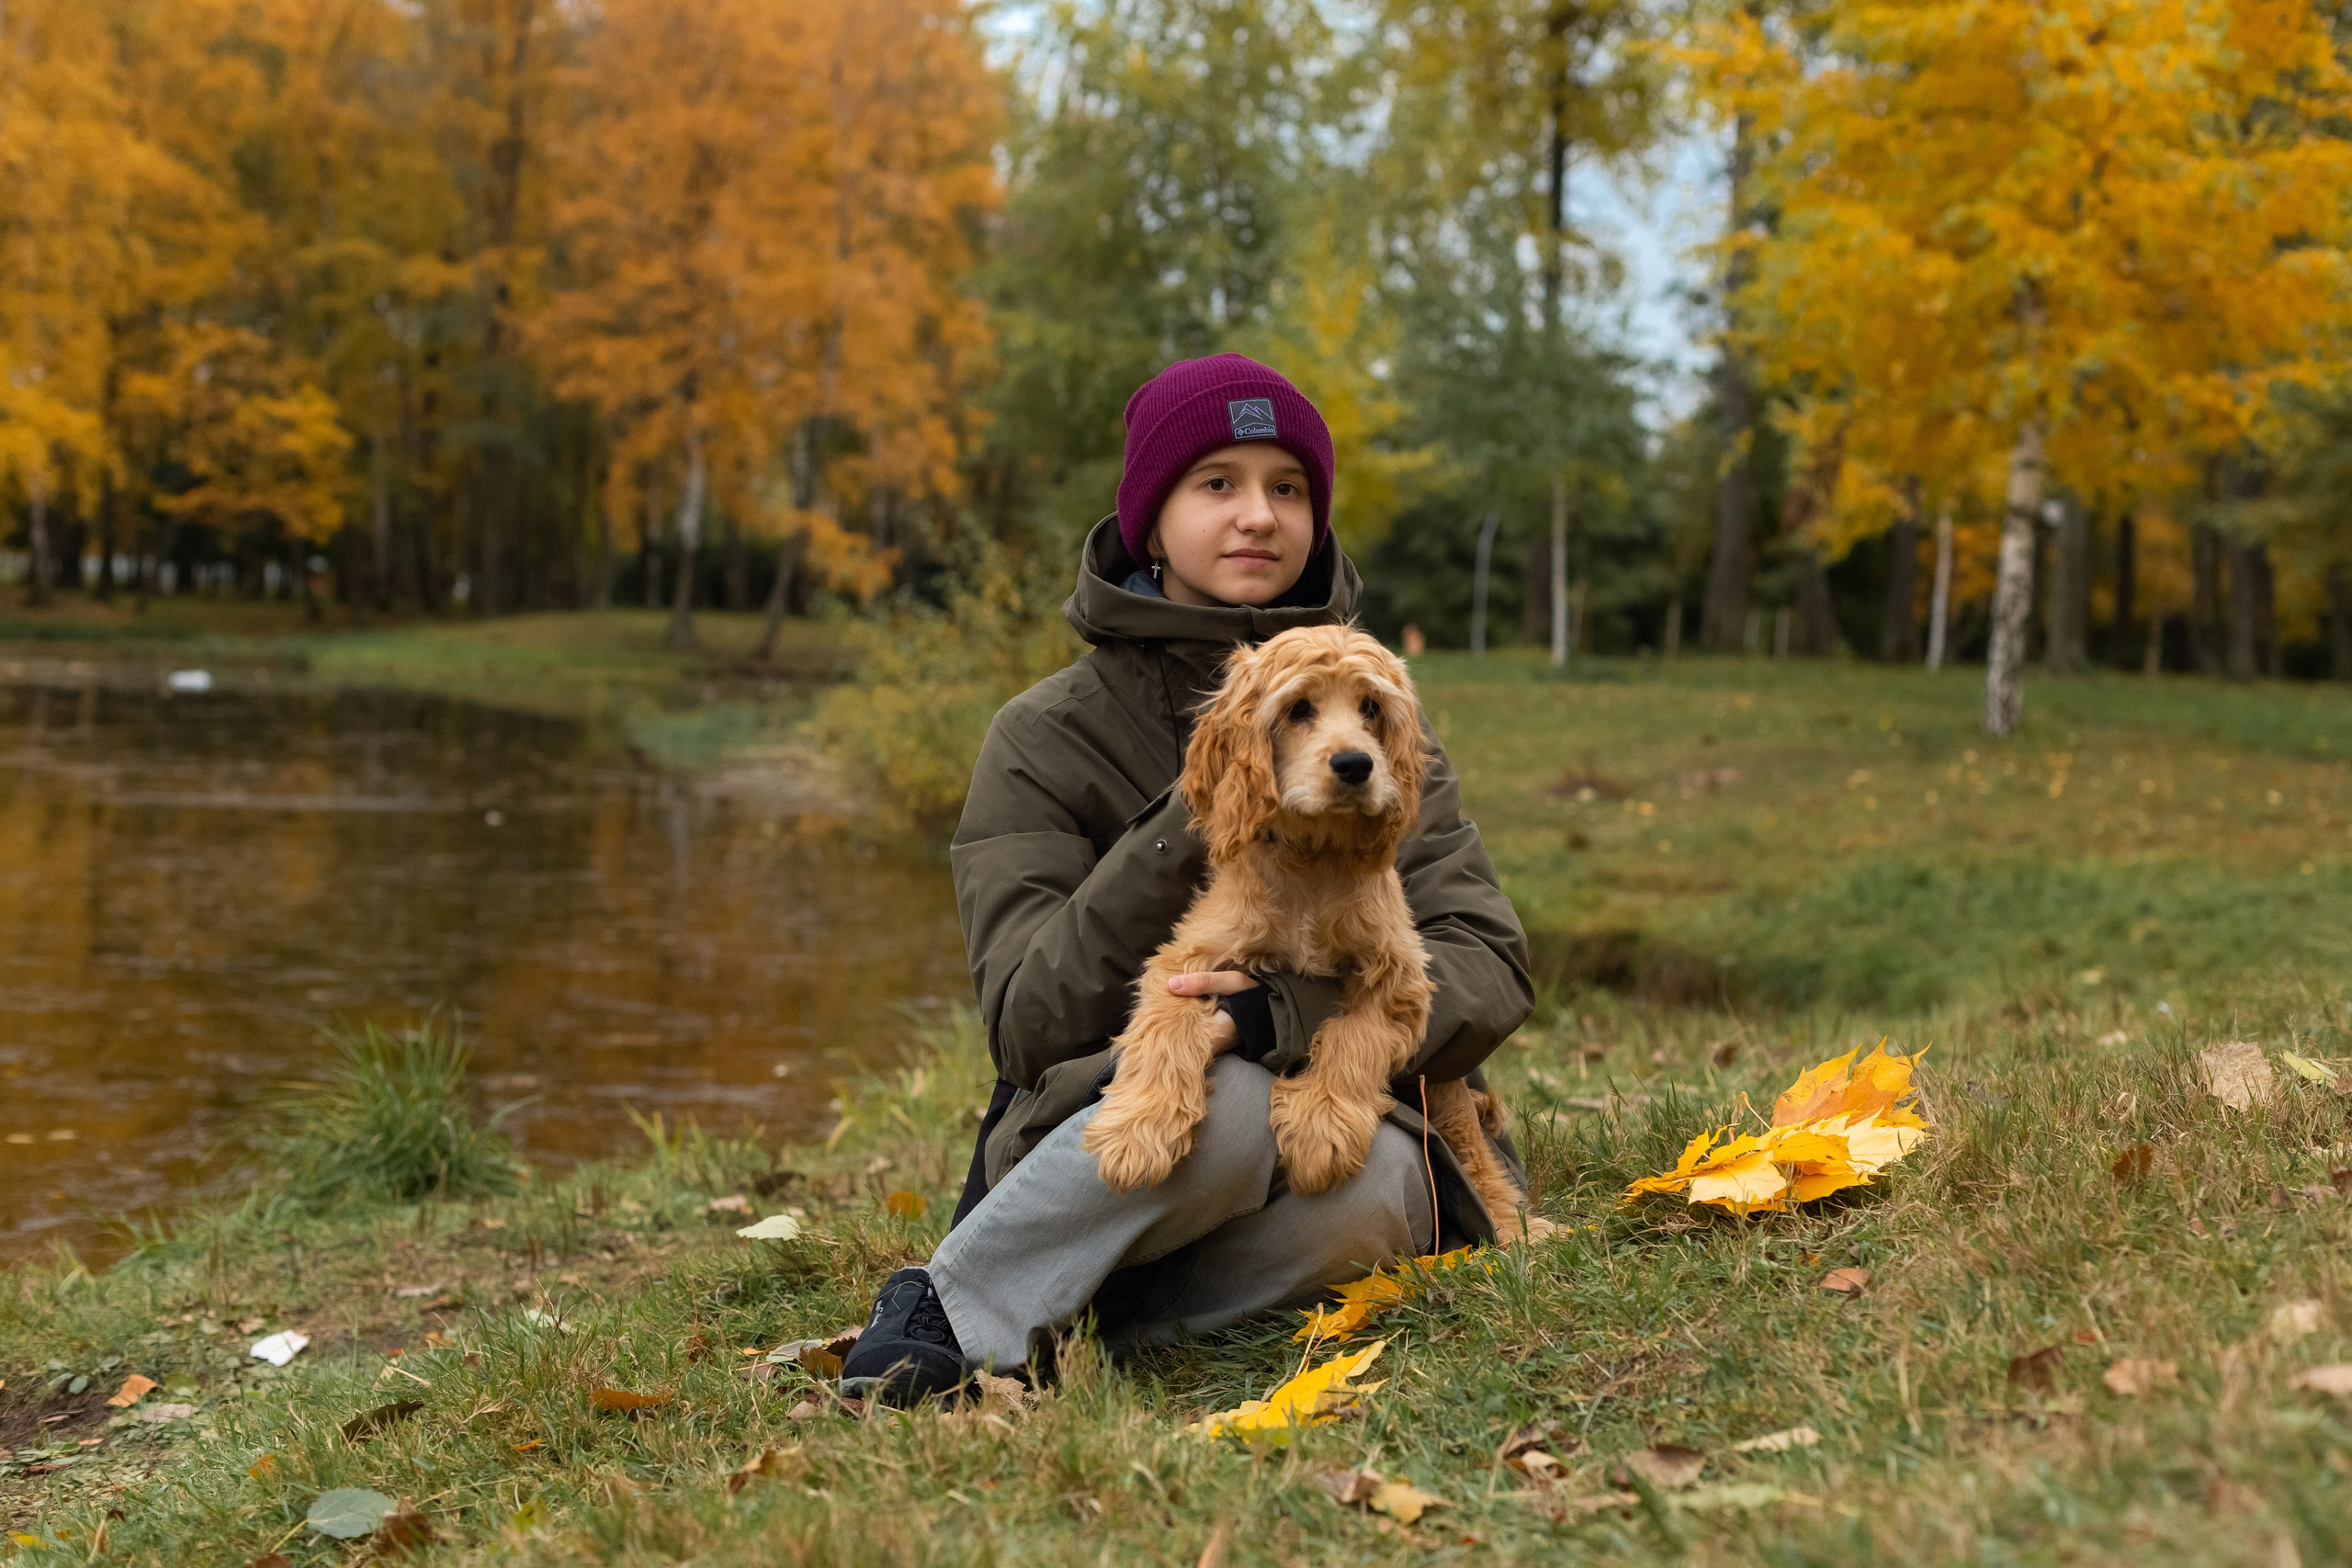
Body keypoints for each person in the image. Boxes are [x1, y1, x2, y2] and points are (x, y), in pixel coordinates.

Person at [839, 354, 1533, 1405]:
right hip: (1123, 1119)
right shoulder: (1041, 736)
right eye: (1217, 483)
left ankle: (1077, 1331)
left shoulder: (1377, 712)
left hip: (1343, 1120)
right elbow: (1028, 1022)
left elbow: (1486, 957)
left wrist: (1284, 1019)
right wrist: (1197, 810)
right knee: (1232, 1106)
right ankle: (951, 1307)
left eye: (1286, 488)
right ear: (1149, 522)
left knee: (1390, 1188)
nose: (1257, 515)